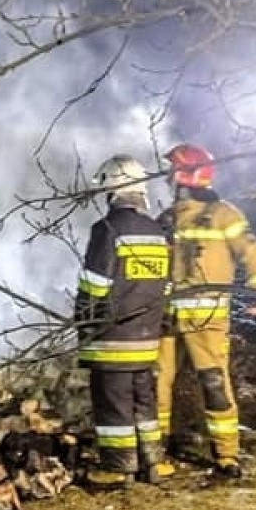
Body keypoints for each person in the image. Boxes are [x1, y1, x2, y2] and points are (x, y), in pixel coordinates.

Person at [156, 142, 256, 479]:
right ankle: (156, 449)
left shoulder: (225, 214)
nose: (169, 177)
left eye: (174, 170)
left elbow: (253, 253)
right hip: (166, 315)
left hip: (206, 317)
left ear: (187, 174)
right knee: (156, 382)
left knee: (213, 382)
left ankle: (226, 454)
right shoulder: (166, 218)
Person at [75, 155, 171, 488]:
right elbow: (165, 286)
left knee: (113, 404)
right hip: (147, 336)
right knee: (143, 402)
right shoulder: (156, 231)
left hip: (113, 337)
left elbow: (95, 284)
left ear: (113, 189)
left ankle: (119, 468)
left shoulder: (108, 230)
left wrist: (83, 322)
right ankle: (152, 463)